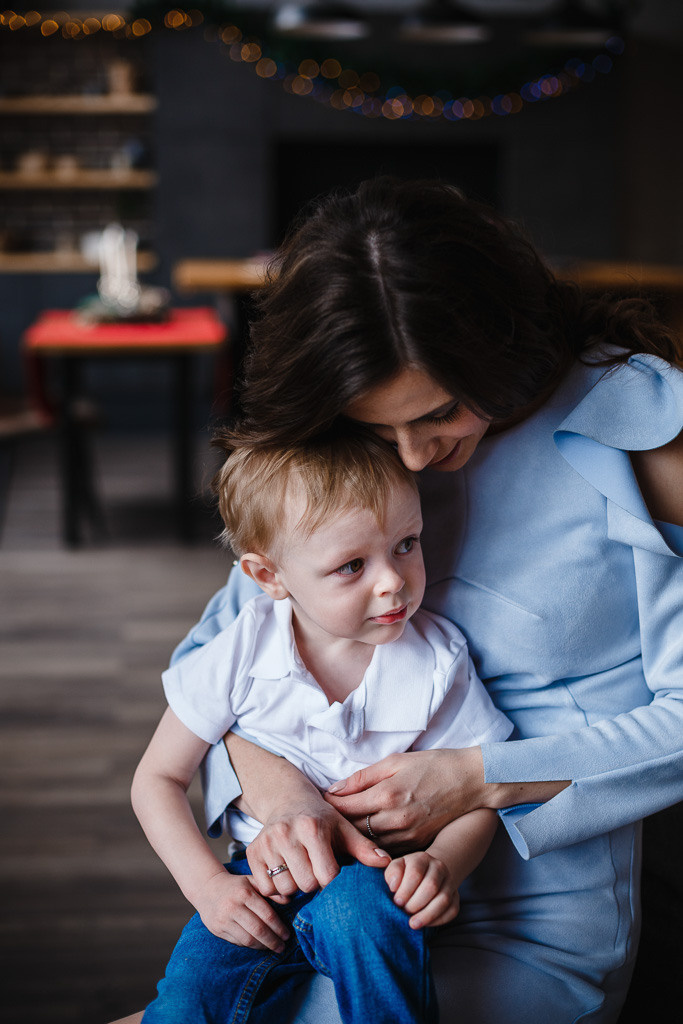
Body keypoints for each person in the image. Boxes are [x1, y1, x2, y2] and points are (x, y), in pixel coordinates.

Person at [132, 427, 512, 1024]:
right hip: (256, 878)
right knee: (186, 1003)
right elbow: (156, 778)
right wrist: (206, 888)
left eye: (406, 543)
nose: (392, 580)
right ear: (268, 577)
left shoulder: (437, 661)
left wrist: (443, 864)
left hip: (373, 878)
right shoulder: (240, 651)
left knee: (362, 921)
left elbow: (479, 799)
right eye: (352, 565)